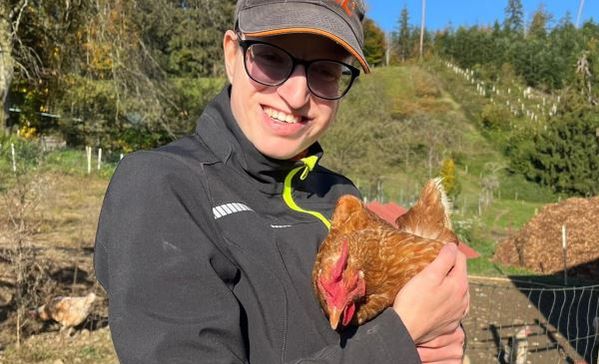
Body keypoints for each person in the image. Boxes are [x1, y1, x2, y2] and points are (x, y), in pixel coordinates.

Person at [94, 0, 470, 363]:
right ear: (231, 54)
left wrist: (435, 337)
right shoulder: (163, 186)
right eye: (272, 58)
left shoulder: (341, 197)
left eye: (325, 70)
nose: (296, 95)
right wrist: (397, 340)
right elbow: (393, 338)